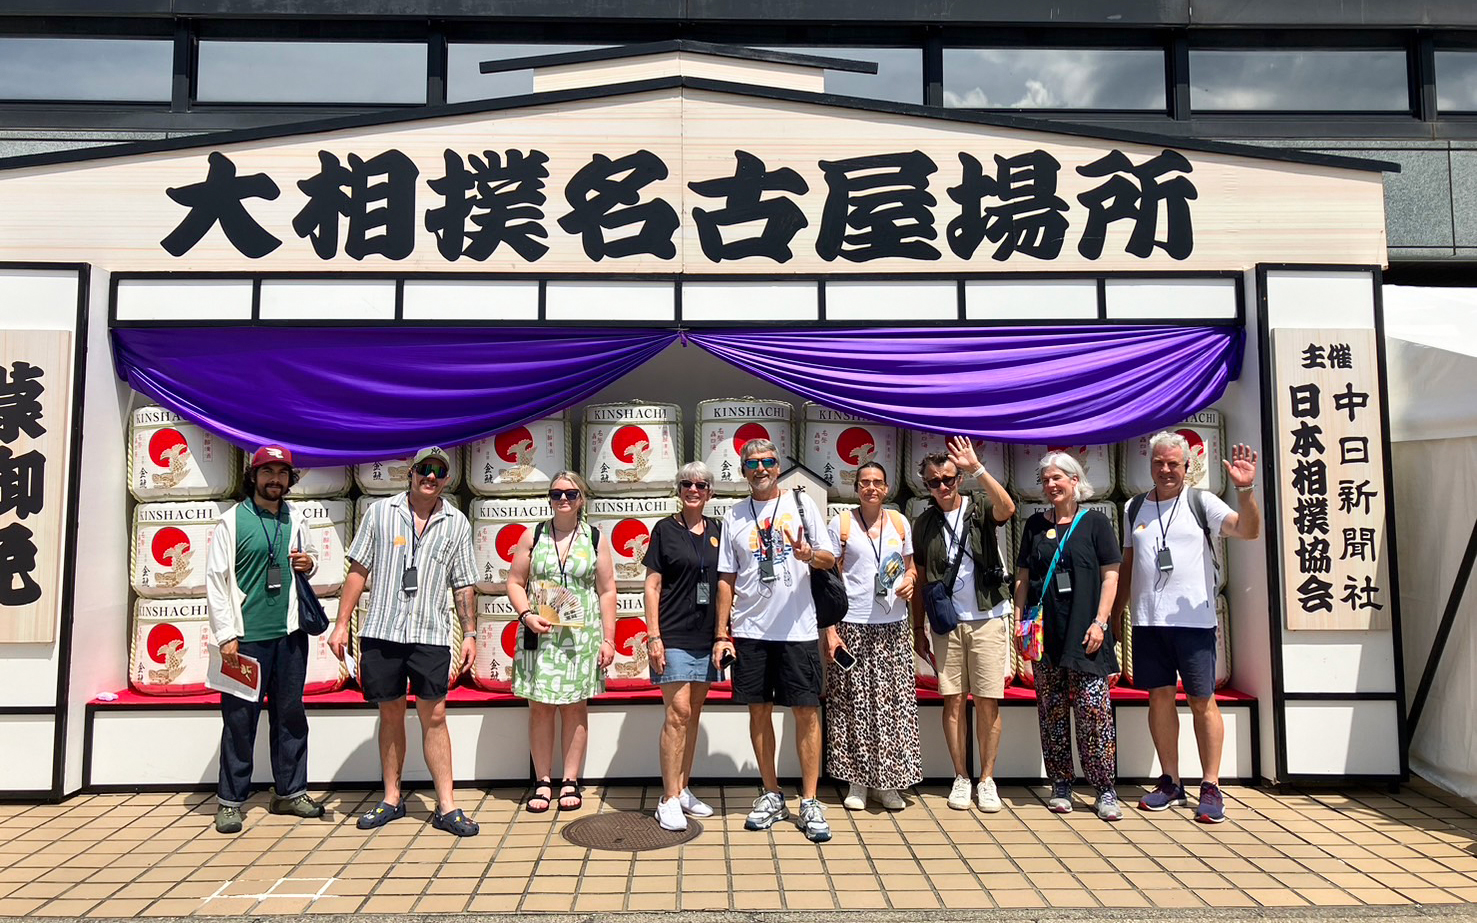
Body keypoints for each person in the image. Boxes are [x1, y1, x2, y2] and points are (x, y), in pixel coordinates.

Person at [329, 446, 480, 837]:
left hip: (431, 632)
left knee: (436, 716)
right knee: (391, 713)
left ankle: (446, 805)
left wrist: (472, 634)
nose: (430, 477)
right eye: (424, 469)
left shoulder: (457, 523)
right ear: (410, 473)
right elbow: (358, 570)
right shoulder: (380, 513)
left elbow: (463, 584)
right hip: (382, 630)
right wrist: (341, 623)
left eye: (439, 471)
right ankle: (392, 798)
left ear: (446, 479)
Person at [1113, 433, 1261, 824]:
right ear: (1150, 463)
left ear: (1187, 467)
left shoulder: (1202, 502)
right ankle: (1170, 781)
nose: (1165, 470)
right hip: (1147, 622)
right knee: (1158, 699)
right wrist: (1115, 614)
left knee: (1201, 701)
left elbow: (1248, 530)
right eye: (1159, 463)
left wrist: (1245, 491)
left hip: (1194, 623)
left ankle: (1210, 785)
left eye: (1173, 464)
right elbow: (1128, 566)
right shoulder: (1133, 508)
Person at [713, 438, 838, 843]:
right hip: (751, 631)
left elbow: (829, 558)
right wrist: (721, 633)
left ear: (778, 465)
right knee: (758, 713)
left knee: (805, 712)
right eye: (753, 463)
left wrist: (807, 555)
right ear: (743, 470)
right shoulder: (734, 515)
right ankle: (771, 793)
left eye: (768, 461)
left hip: (798, 629)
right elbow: (726, 580)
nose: (761, 468)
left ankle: (811, 800)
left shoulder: (802, 505)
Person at [204, 445, 321, 835]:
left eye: (282, 473)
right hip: (245, 639)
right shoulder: (232, 521)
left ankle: (290, 792)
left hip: (289, 636)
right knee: (240, 721)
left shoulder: (296, 518)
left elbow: (308, 559)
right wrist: (226, 635)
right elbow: (216, 582)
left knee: (291, 716)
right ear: (252, 477)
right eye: (268, 472)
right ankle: (230, 801)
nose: (276, 480)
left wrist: (310, 563)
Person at [909, 437, 1016, 812]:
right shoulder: (923, 523)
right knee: (952, 700)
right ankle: (960, 775)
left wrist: (978, 469)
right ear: (926, 486)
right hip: (947, 623)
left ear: (959, 479)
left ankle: (987, 778)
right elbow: (920, 577)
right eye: (934, 482)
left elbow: (1008, 508)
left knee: (988, 701)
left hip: (987, 617)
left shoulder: (980, 506)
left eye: (949, 479)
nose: (942, 487)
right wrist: (917, 626)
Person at [1014, 452, 1122, 820]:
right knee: (1051, 709)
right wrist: (1018, 622)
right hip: (1046, 633)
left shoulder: (1096, 523)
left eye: (1058, 477)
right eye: (1045, 480)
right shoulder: (1033, 526)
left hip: (1087, 630)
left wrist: (1101, 621)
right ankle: (1060, 783)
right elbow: (1023, 578)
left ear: (1076, 480)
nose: (1051, 485)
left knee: (1095, 711)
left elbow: (1111, 576)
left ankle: (1105, 787)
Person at [506, 471, 617, 814]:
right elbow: (514, 581)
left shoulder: (595, 537)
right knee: (539, 708)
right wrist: (526, 615)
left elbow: (607, 589)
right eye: (556, 493)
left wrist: (609, 639)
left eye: (570, 493)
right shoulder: (534, 535)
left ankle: (570, 779)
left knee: (575, 708)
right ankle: (542, 780)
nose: (563, 499)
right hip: (540, 633)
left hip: (580, 637)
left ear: (582, 497)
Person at [826, 460, 921, 812]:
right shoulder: (842, 524)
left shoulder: (899, 521)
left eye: (877, 482)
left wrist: (910, 581)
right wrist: (830, 631)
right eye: (864, 482)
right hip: (852, 623)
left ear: (887, 487)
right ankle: (858, 781)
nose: (870, 488)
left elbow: (910, 567)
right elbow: (829, 579)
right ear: (856, 487)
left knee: (892, 707)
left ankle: (890, 782)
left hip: (892, 626)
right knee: (854, 704)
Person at [641, 462, 721, 830]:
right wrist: (653, 635)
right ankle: (668, 797)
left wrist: (723, 633)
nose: (693, 489)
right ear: (678, 489)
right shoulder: (663, 530)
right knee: (678, 714)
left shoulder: (717, 530)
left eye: (700, 484)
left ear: (710, 492)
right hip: (672, 634)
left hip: (706, 635)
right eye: (687, 484)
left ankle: (684, 787)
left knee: (694, 714)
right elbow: (652, 586)